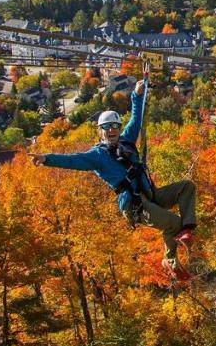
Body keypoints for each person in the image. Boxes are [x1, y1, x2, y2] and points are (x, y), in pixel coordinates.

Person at [31, 79, 197, 278]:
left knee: (186, 187)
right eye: (106, 127)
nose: (111, 130)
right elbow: (73, 160)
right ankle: (170, 262)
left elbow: (136, 119)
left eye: (114, 126)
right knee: (172, 223)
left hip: (150, 192)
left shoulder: (126, 141)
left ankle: (187, 229)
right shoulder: (97, 156)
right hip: (136, 204)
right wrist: (46, 159)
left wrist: (136, 94)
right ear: (100, 131)